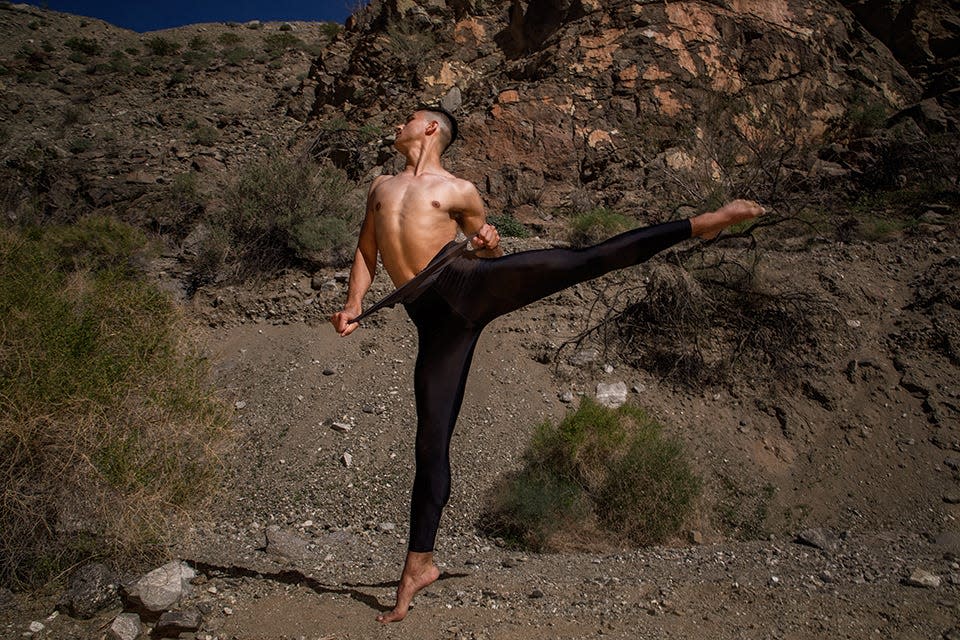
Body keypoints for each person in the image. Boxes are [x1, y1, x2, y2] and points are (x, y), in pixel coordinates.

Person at [330, 107, 764, 623]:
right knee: (431, 442)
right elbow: (366, 249)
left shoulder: (460, 190)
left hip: (467, 284)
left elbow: (489, 247)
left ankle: (701, 225)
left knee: (583, 259)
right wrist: (355, 301)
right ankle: (419, 566)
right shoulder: (380, 186)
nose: (398, 122)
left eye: (410, 117)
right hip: (432, 321)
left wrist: (490, 246)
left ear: (430, 129)